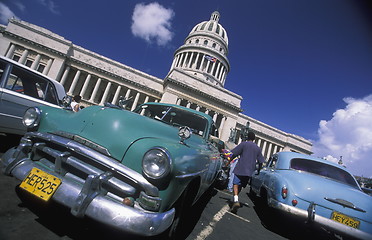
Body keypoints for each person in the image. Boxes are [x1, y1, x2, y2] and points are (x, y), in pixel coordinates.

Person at [227, 131, 265, 213]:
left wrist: (228, 161)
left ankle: (236, 200)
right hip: (249, 171)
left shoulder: (244, 144)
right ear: (254, 139)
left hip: (241, 167)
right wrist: (258, 171)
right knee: (240, 186)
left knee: (235, 184)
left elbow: (234, 154)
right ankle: (235, 200)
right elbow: (261, 161)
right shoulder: (258, 148)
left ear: (247, 137)